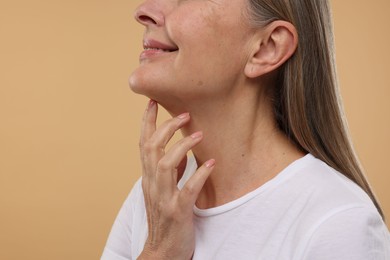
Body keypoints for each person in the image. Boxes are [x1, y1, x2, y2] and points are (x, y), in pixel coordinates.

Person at [102, 0, 390, 259]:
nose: (143, 11)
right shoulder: (156, 201)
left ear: (267, 48)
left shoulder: (337, 224)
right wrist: (159, 251)